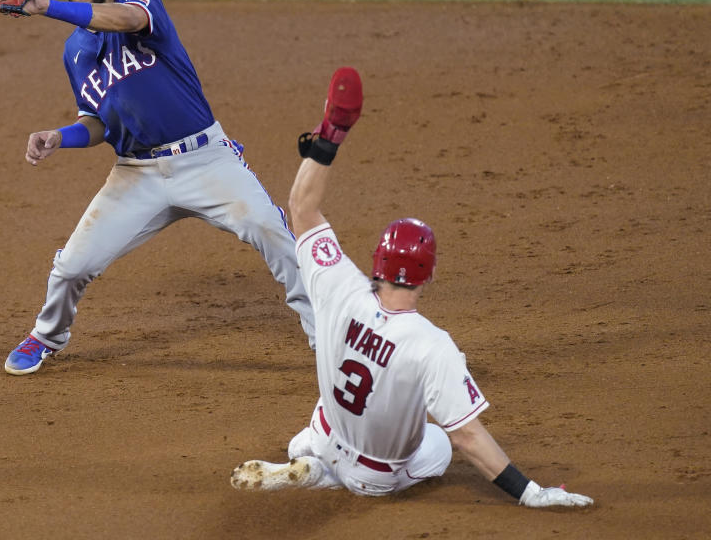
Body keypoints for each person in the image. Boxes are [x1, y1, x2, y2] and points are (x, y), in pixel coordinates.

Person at [229, 67, 594, 508]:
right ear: (429, 275)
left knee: (312, 438)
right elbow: (469, 438)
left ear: (376, 261)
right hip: (371, 477)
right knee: (437, 442)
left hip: (325, 433)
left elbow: (302, 208)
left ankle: (311, 459)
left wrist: (331, 135)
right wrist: (530, 492)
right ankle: (326, 477)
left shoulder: (338, 285)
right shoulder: (432, 346)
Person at [1, 0, 315, 375]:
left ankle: (330, 338)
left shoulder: (141, 0)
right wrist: (60, 136)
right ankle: (46, 336)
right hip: (136, 174)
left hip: (206, 161)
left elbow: (127, 21)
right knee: (72, 267)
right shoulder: (75, 52)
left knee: (270, 231)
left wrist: (48, 7)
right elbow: (99, 121)